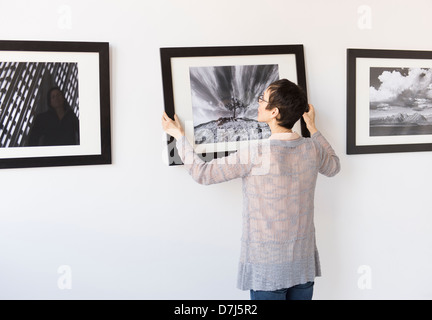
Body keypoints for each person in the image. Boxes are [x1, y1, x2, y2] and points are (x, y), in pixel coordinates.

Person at [161, 79, 340, 300]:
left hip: (268, 269)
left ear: (274, 112)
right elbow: (333, 166)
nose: (258, 102)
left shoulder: (256, 153)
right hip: (303, 267)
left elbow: (203, 173)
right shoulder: (312, 148)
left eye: (262, 99)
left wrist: (179, 136)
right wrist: (312, 127)